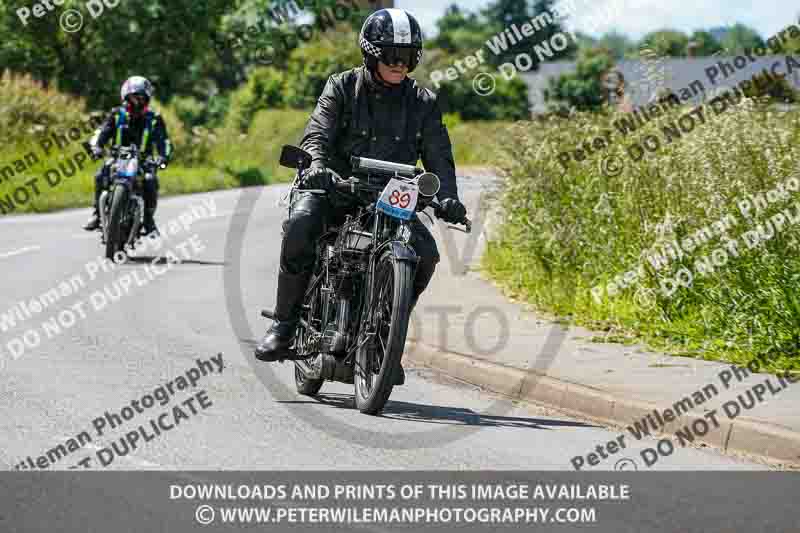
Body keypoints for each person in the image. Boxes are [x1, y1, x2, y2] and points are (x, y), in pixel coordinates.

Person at [254, 8, 468, 386]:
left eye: (409, 57)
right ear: (371, 54)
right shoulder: (341, 86)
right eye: (392, 56)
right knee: (302, 223)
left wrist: (447, 197)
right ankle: (285, 325)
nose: (401, 65)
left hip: (389, 198)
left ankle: (386, 337)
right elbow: (317, 134)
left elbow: (439, 155)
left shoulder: (423, 102)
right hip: (336, 188)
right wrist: (318, 165)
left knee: (426, 254)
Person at [83, 76, 173, 235]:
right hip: (117, 158)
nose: (137, 102)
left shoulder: (154, 119)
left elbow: (164, 141)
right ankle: (97, 214)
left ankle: (148, 220)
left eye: (141, 98)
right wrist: (96, 147)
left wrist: (163, 157)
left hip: (143, 161)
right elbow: (101, 132)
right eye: (134, 97)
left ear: (147, 99)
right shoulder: (117, 114)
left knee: (150, 180)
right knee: (100, 175)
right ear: (125, 96)